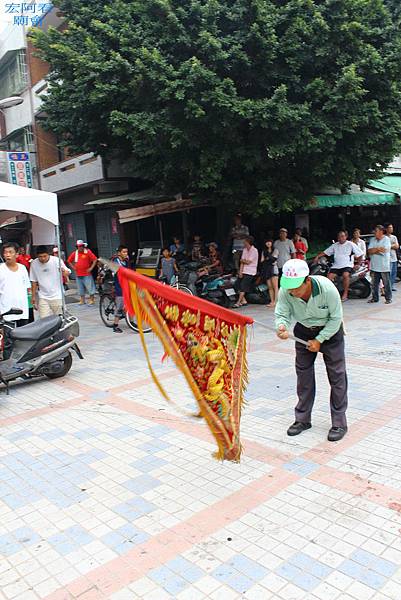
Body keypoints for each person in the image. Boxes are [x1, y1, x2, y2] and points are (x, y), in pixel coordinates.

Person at [275, 259, 348, 442]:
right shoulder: (286, 290)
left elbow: (336, 318)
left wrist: (319, 340)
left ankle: (339, 422)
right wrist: (282, 326)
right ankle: (302, 419)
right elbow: (282, 312)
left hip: (330, 332)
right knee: (304, 376)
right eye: (289, 287)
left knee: (337, 376)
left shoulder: (327, 289)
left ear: (307, 281)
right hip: (303, 330)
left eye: (296, 287)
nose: (292, 292)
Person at [314, 230, 363, 302]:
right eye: (339, 236)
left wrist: (358, 264)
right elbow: (325, 252)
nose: (341, 238)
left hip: (347, 265)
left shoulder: (350, 244)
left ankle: (345, 294)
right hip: (336, 266)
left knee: (345, 275)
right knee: (328, 278)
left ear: (346, 237)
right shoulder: (335, 245)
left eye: (342, 236)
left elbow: (360, 254)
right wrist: (317, 257)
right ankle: (330, 295)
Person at [30, 246, 70, 318]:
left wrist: (64, 272)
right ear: (37, 256)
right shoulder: (34, 263)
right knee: (43, 319)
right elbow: (34, 281)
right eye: (40, 256)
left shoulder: (56, 260)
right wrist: (33, 297)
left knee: (61, 318)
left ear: (48, 254)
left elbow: (67, 273)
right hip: (43, 296)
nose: (42, 258)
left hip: (57, 295)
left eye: (44, 256)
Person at [0, 242, 31, 326]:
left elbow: (27, 288)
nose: (7, 255)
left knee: (23, 336)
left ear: (17, 254)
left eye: (10, 252)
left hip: (22, 310)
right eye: (5, 252)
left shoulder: (22, 268)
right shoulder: (1, 269)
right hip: (6, 311)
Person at [67, 240, 97, 305]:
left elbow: (95, 259)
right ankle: (82, 300)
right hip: (78, 274)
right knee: (80, 288)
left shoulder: (88, 252)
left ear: (83, 246)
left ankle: (92, 299)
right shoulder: (75, 253)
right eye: (78, 246)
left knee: (90, 287)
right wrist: (73, 267)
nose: (80, 248)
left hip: (87, 274)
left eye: (81, 246)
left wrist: (91, 268)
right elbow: (69, 261)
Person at [368, 225, 392, 304]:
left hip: (384, 266)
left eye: (376, 231)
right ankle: (375, 298)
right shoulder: (372, 239)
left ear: (381, 231)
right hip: (374, 265)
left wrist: (375, 250)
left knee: (386, 283)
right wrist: (378, 249)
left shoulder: (386, 239)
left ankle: (388, 298)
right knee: (374, 284)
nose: (375, 232)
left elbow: (384, 250)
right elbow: (369, 251)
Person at [234, 236, 258, 308]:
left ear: (248, 242)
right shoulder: (244, 250)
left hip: (250, 271)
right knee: (236, 285)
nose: (243, 243)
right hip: (244, 270)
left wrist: (243, 261)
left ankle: (238, 302)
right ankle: (243, 300)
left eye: (244, 241)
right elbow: (242, 261)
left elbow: (248, 262)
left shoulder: (254, 250)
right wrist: (240, 272)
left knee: (243, 286)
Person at [112, 245, 129, 333]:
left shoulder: (126, 261)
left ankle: (131, 322)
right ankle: (115, 325)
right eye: (124, 252)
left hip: (126, 285)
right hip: (119, 287)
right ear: (119, 253)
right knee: (119, 306)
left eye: (126, 252)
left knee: (130, 304)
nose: (126, 254)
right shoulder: (116, 261)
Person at [260, 239, 279, 308]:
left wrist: (268, 258)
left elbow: (274, 259)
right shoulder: (263, 251)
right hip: (267, 269)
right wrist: (268, 259)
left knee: (275, 286)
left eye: (269, 242)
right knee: (270, 286)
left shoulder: (275, 250)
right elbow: (262, 261)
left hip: (273, 269)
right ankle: (272, 301)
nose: (268, 243)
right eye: (267, 242)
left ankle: (276, 302)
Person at [385, 223, 399, 292]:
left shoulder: (394, 237)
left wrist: (390, 246)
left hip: (394, 258)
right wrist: (392, 245)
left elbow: (397, 246)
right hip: (387, 258)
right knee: (388, 274)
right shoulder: (384, 237)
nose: (391, 229)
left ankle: (391, 286)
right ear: (386, 229)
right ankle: (387, 287)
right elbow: (385, 247)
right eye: (390, 227)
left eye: (392, 227)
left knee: (394, 273)